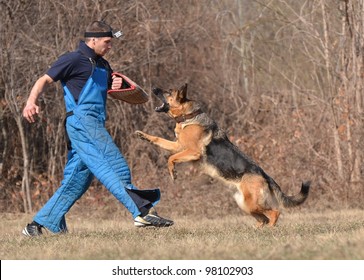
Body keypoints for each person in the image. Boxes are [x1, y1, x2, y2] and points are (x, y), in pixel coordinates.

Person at [22, 21, 173, 236]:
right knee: (114, 165)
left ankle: (37, 225)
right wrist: (31, 101)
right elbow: (44, 80)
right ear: (93, 40)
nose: (110, 46)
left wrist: (117, 86)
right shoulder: (72, 59)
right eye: (107, 42)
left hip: (95, 122)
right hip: (82, 122)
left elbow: (110, 87)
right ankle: (142, 212)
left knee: (78, 178)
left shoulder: (103, 65)